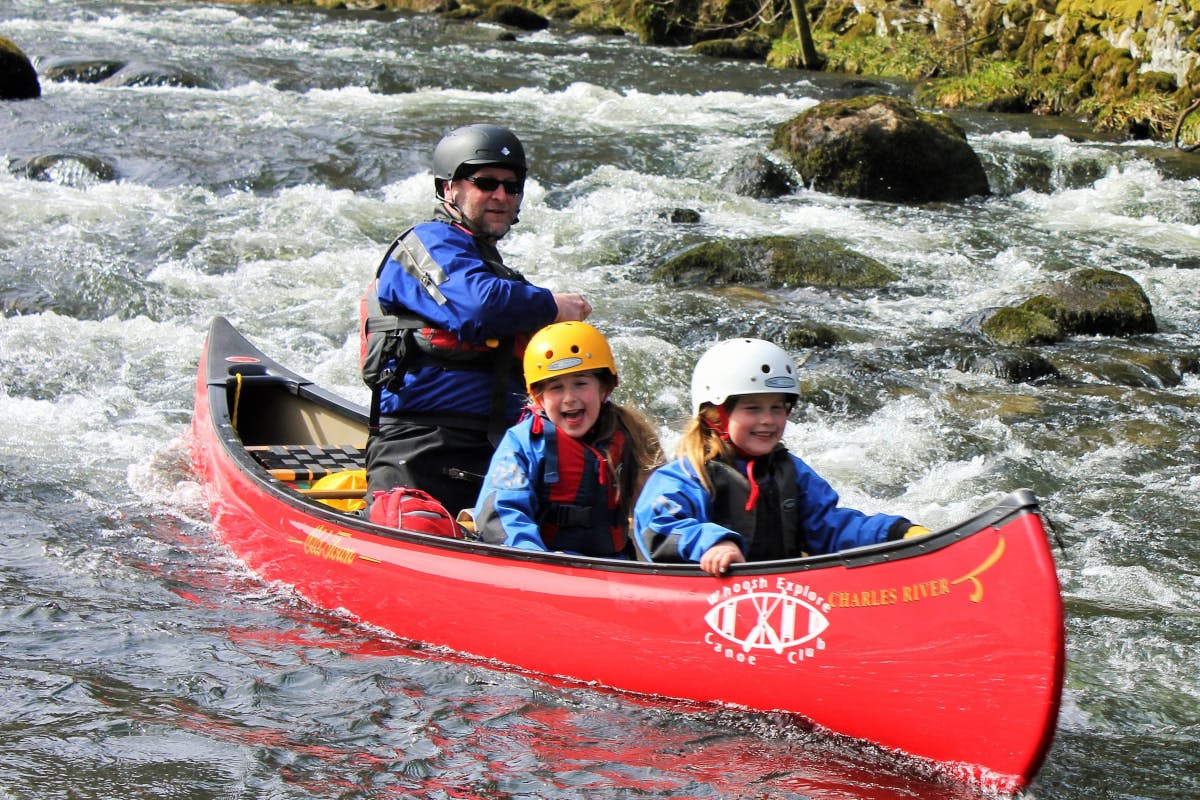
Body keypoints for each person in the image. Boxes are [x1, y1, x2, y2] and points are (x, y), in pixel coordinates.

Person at [361, 124, 592, 515]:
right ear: (449, 188)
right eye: (485, 182)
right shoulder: (423, 245)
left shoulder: (500, 276)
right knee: (420, 525)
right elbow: (476, 308)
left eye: (512, 186)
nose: (501, 196)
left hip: (501, 455)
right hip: (422, 451)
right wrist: (553, 306)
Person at [632, 338, 930, 575]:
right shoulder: (684, 476)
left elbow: (830, 526)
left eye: (777, 407)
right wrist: (712, 543)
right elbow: (656, 527)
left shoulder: (791, 471)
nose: (768, 420)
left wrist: (895, 532)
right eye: (753, 408)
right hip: (706, 603)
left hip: (781, 595)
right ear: (715, 415)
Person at [472, 321, 664, 557]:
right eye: (556, 388)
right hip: (545, 564)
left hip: (615, 566)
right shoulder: (522, 443)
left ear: (604, 388)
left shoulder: (630, 435)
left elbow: (662, 507)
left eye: (581, 384)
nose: (569, 398)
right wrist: (533, 558)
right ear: (539, 398)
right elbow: (503, 510)